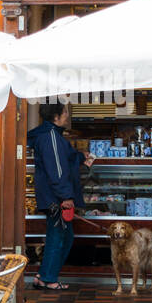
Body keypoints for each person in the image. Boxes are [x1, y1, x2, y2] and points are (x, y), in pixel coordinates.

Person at [26, 102, 94, 291]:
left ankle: (43, 275)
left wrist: (81, 157)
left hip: (53, 197)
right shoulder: (50, 137)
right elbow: (56, 169)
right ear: (56, 116)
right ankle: (48, 278)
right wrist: (65, 196)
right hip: (56, 199)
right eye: (65, 112)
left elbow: (64, 159)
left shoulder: (51, 135)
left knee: (63, 236)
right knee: (59, 238)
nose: (67, 116)